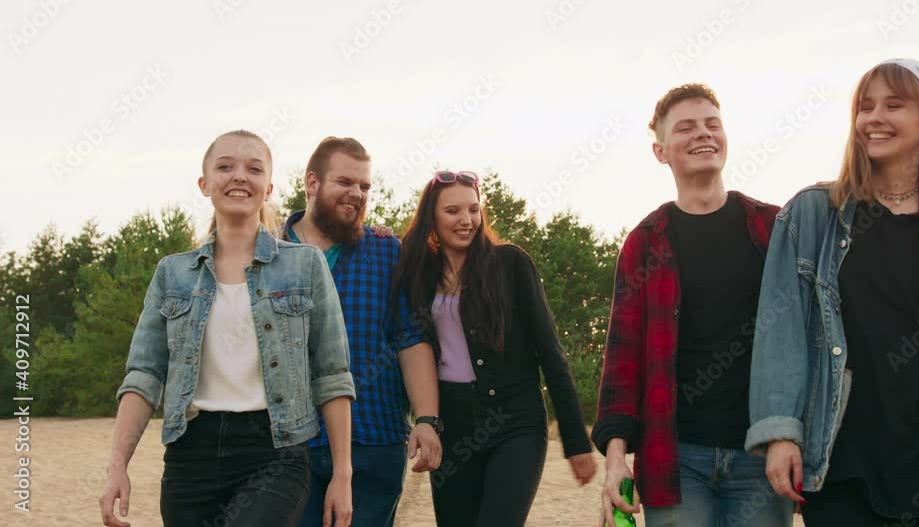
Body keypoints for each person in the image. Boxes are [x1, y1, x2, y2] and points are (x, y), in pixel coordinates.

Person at [747, 59, 919, 526]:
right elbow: (780, 332)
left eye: (893, 105)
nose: (874, 118)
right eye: (866, 107)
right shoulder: (812, 216)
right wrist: (780, 432)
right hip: (842, 470)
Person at [99, 130, 356, 527]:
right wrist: (118, 466)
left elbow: (332, 375)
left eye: (254, 169)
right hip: (190, 456)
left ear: (268, 188)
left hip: (275, 453)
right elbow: (144, 375)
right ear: (204, 184)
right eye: (225, 167)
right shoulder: (172, 274)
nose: (239, 176)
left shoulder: (305, 266)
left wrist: (342, 476)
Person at [592, 83, 791, 527]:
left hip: (762, 453)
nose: (703, 133)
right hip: (676, 457)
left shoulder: (774, 227)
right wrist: (616, 459)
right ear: (660, 152)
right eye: (685, 128)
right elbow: (623, 360)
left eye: (712, 124)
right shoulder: (645, 242)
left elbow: (804, 337)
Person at [391, 170, 596, 526]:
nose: (466, 220)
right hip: (452, 425)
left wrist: (576, 441)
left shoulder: (510, 263)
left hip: (515, 421)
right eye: (453, 211)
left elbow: (551, 353)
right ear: (431, 217)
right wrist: (380, 235)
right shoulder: (417, 273)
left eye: (473, 209)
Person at [282, 136, 442, 527]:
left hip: (373, 438)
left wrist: (427, 418)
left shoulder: (386, 252)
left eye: (365, 186)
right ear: (312, 182)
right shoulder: (269, 252)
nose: (357, 193)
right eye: (345, 182)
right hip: (287, 446)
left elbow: (410, 338)